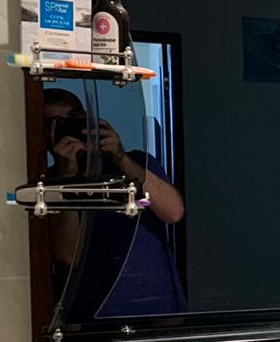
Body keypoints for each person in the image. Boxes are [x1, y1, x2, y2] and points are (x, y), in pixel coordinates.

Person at [43, 87, 188, 318]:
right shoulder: (48, 184)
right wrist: (66, 177)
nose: (65, 129)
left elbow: (172, 212)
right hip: (94, 314)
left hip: (158, 310)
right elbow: (68, 256)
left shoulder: (137, 163)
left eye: (72, 119)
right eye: (54, 124)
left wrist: (120, 157)